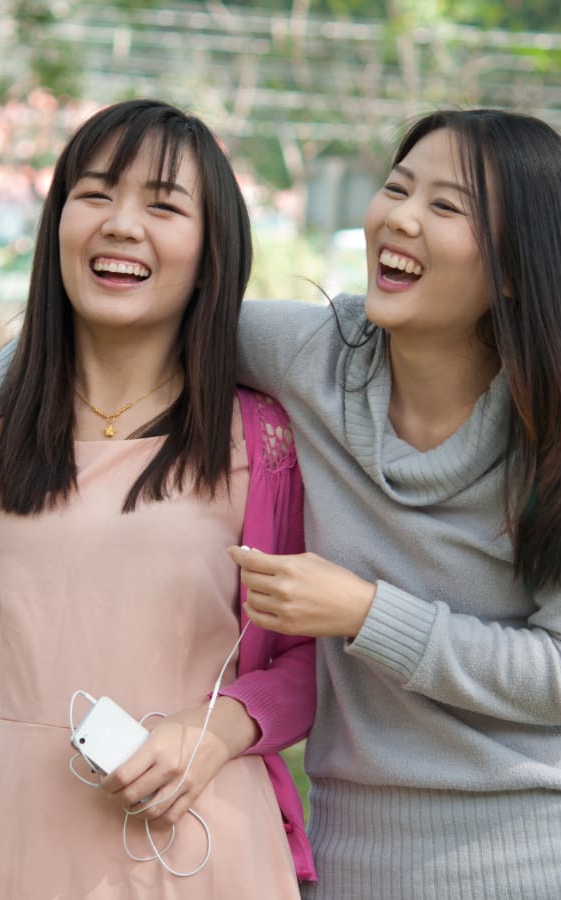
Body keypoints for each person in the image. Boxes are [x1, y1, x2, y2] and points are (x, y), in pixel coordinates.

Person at [0, 99, 316, 899]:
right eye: (94, 194)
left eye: (163, 205)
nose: (121, 224)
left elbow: (323, 651)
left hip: (193, 844)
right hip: (8, 832)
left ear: (210, 253)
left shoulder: (263, 439)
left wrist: (219, 729)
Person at [226, 109, 561, 898]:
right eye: (396, 187)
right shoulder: (319, 356)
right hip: (342, 857)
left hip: (527, 858)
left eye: (446, 206)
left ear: (515, 267)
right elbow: (138, 321)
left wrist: (368, 613)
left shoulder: (550, 430)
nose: (399, 217)